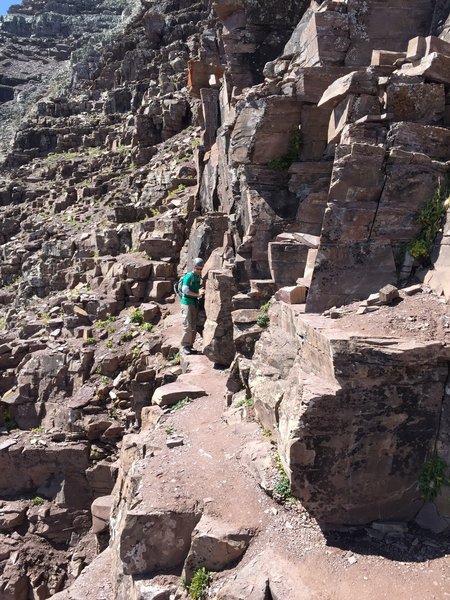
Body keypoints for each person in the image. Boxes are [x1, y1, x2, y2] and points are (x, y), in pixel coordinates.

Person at [180, 258, 205, 355]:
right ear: (194, 267)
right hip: (187, 303)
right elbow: (185, 290)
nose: (199, 270)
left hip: (194, 303)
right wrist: (197, 294)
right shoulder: (188, 276)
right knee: (187, 325)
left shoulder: (198, 276)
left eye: (201, 269)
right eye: (197, 268)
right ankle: (185, 345)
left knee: (193, 325)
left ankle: (190, 345)